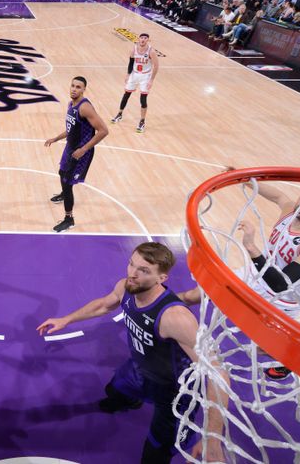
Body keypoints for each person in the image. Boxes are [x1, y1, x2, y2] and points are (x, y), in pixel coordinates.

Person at [37, 242, 227, 463]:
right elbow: (103, 305)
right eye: (131, 264)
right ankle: (131, 400)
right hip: (140, 369)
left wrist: (213, 437)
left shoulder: (176, 318)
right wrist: (66, 319)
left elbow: (217, 373)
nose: (132, 274)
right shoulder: (126, 287)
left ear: (161, 278)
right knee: (113, 391)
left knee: (155, 454)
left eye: (143, 270)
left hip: (175, 391)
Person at [178, 180, 300, 380]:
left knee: (265, 348)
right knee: (196, 294)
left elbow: (281, 284)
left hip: (283, 297)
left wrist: (251, 247)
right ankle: (159, 310)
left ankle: (293, 358)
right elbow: (278, 196)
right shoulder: (290, 211)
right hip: (255, 273)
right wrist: (248, 180)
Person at [45, 76, 109, 232]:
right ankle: (64, 193)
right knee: (61, 172)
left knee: (68, 184)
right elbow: (70, 130)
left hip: (81, 152)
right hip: (70, 147)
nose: (74, 89)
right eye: (72, 85)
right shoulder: (71, 104)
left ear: (84, 89)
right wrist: (56, 138)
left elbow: (103, 131)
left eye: (78, 87)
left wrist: (83, 149)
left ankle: (69, 219)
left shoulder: (84, 107)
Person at [111, 33, 159, 133]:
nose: (143, 40)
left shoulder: (151, 51)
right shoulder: (134, 49)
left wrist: (151, 80)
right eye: (141, 38)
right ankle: (119, 114)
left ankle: (142, 121)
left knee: (143, 99)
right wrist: (128, 74)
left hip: (145, 76)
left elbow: (156, 66)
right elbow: (131, 62)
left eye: (145, 38)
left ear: (148, 40)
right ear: (138, 39)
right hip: (134, 74)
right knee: (126, 94)